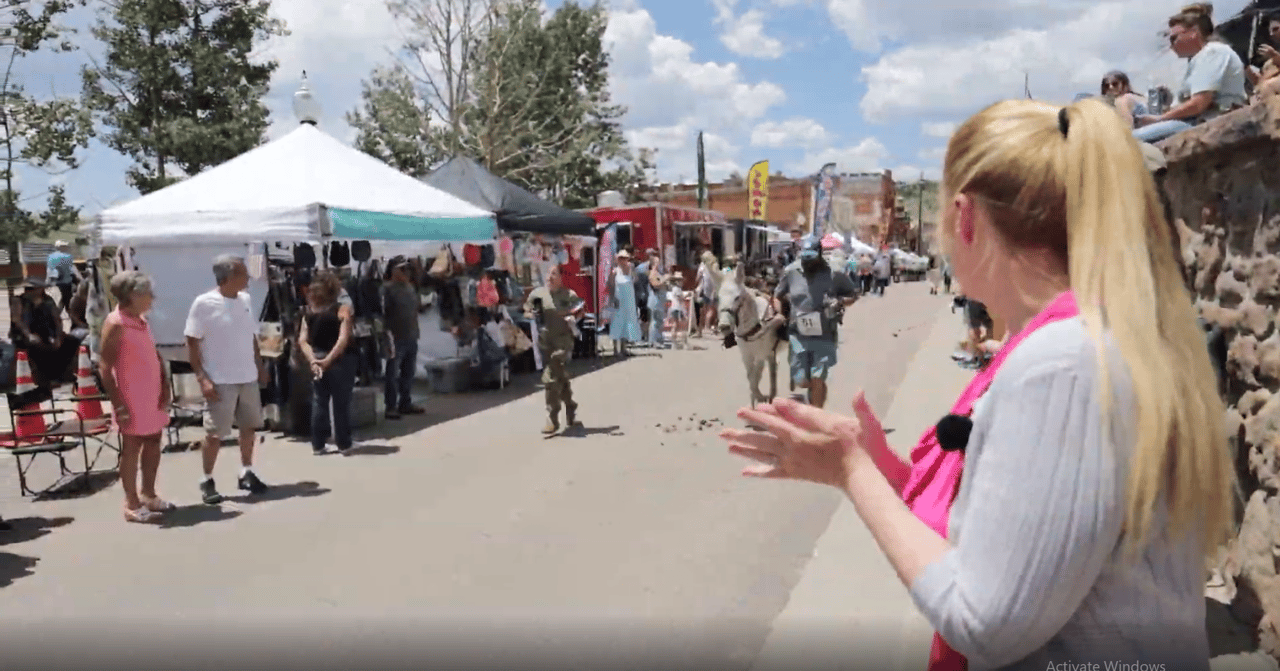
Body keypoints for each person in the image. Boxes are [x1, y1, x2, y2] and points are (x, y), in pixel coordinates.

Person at [723, 97, 1231, 671]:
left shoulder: (1061, 364)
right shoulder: (1079, 339)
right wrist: (885, 472)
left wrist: (851, 470)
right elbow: (1023, 524)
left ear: (964, 216)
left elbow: (985, 621)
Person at [184, 255, 270, 504]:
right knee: (215, 434)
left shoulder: (244, 300)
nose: (248, 278)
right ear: (230, 277)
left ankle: (246, 471)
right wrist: (202, 378)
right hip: (220, 379)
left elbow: (251, 336)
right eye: (244, 273)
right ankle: (206, 478)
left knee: (249, 427)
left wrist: (259, 365)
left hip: (247, 377)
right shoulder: (204, 303)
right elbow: (192, 342)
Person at [98, 271, 172, 523]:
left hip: (151, 392)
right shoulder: (116, 323)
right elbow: (105, 366)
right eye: (147, 293)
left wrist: (165, 384)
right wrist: (118, 403)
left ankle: (149, 494)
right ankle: (131, 503)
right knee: (132, 448)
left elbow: (154, 356)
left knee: (154, 441)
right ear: (133, 296)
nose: (152, 298)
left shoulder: (141, 321)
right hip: (131, 395)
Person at [1134, 4, 1246, 143]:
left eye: (1174, 38)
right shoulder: (1199, 58)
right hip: (1193, 119)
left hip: (1207, 121)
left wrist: (1159, 119)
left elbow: (1199, 104)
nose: (1171, 45)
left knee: (1129, 140)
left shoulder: (1212, 52)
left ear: (1193, 32)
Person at [774, 238, 858, 409]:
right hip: (798, 334)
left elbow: (853, 294)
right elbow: (777, 295)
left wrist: (840, 302)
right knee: (802, 381)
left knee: (818, 377)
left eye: (811, 257)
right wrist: (780, 313)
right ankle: (813, 395)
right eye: (805, 257)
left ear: (820, 255)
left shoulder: (834, 273)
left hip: (824, 334)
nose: (807, 262)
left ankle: (816, 416)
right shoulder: (791, 272)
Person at [299, 270, 355, 455]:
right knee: (341, 403)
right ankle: (344, 444)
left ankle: (318, 444)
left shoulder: (308, 312)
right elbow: (343, 339)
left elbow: (302, 340)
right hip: (340, 360)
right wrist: (328, 360)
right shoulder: (342, 309)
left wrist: (314, 360)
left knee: (319, 401)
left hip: (317, 357)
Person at [524, 266, 584, 434]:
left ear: (561, 277)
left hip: (563, 342)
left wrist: (574, 316)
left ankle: (552, 418)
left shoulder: (568, 295)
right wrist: (531, 314)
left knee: (550, 377)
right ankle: (571, 405)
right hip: (546, 342)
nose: (550, 277)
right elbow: (527, 309)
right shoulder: (538, 294)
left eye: (554, 274)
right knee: (559, 376)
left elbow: (580, 310)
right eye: (548, 273)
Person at [10, 277, 80, 387]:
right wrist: (29, 335)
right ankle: (46, 378)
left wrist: (58, 337)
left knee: (71, 341)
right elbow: (18, 321)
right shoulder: (19, 301)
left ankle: (61, 375)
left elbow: (57, 320)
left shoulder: (48, 300)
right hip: (26, 336)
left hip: (47, 334)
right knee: (36, 346)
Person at [382, 256, 424, 420]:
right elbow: (383, 314)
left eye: (407, 269)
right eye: (402, 269)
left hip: (411, 334)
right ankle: (390, 406)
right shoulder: (388, 289)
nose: (406, 272)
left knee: (408, 371)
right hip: (395, 336)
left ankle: (405, 402)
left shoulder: (409, 287)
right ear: (393, 270)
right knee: (392, 373)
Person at [606, 249, 642, 357]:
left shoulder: (631, 269)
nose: (623, 261)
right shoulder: (615, 271)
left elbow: (636, 280)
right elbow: (610, 285)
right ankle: (615, 350)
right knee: (617, 323)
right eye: (621, 258)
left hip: (629, 301)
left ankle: (623, 348)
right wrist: (612, 299)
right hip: (618, 300)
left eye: (625, 258)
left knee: (627, 323)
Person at [45, 240, 79, 317]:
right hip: (66, 282)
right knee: (66, 300)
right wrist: (77, 279)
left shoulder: (50, 257)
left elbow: (49, 270)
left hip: (55, 282)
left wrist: (47, 281)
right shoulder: (68, 257)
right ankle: (68, 315)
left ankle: (61, 315)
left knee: (63, 300)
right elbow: (71, 270)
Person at [645, 250, 669, 348]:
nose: (659, 264)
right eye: (658, 262)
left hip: (660, 300)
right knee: (655, 321)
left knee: (659, 320)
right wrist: (665, 279)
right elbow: (655, 285)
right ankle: (653, 341)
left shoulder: (658, 273)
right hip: (655, 300)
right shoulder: (652, 273)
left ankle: (658, 339)